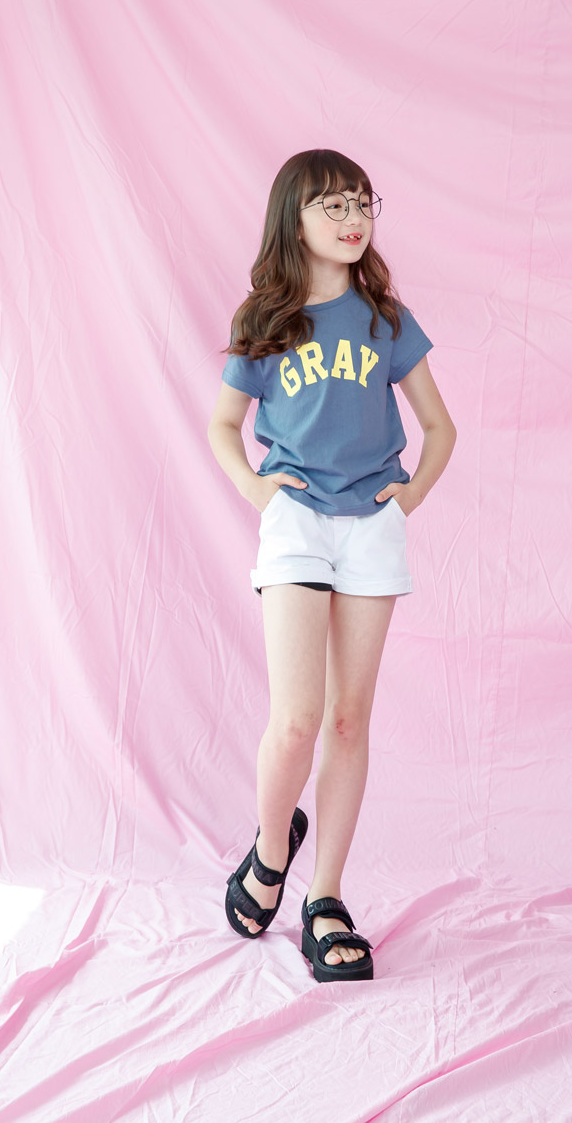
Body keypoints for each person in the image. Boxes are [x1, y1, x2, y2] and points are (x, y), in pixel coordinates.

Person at [207, 148, 456, 982]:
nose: (353, 219)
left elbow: (441, 427)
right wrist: (257, 489)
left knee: (350, 720)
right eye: (333, 206)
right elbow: (223, 425)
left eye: (361, 203)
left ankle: (325, 898)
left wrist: (408, 499)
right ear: (295, 219)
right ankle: (270, 849)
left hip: (370, 527)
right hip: (297, 523)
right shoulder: (266, 319)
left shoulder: (385, 318)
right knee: (297, 720)